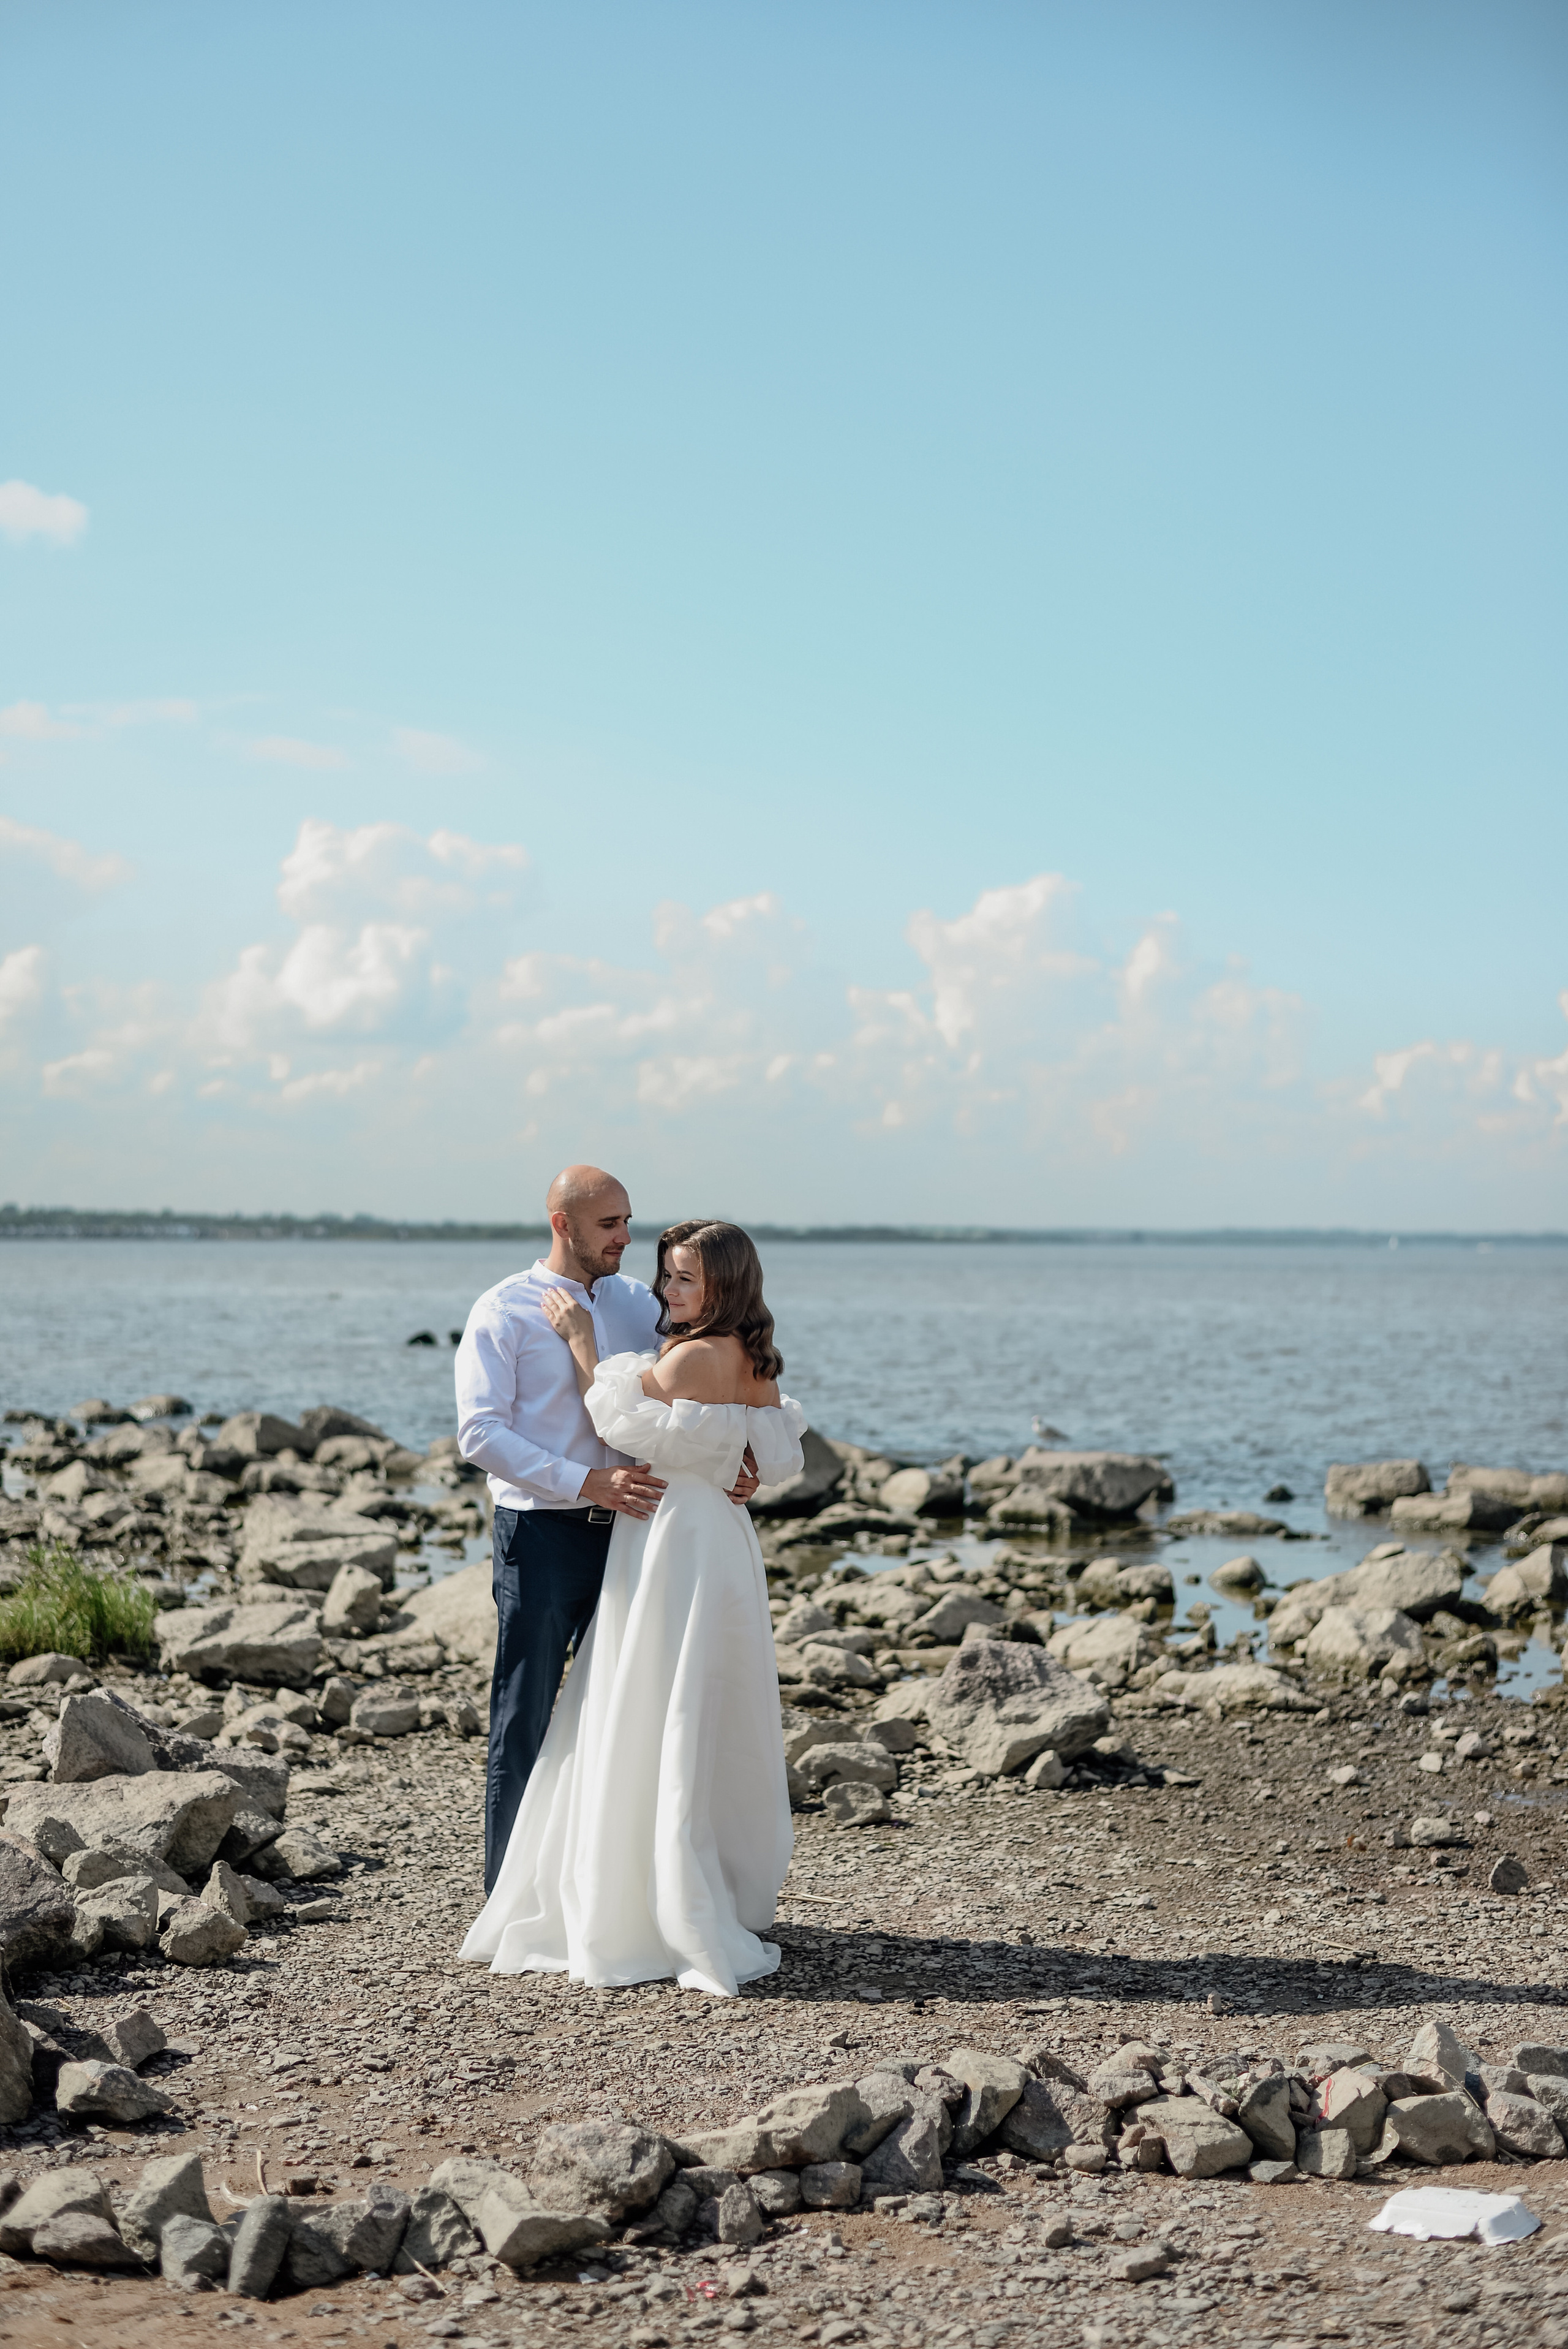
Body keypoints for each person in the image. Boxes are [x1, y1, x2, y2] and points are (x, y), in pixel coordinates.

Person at [459, 1219, 804, 1997]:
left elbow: (618, 1418)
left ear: (723, 1284)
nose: (664, 1291)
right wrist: (733, 1461)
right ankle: (697, 1876)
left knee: (648, 1704)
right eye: (665, 1275)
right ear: (565, 1221)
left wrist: (584, 1344)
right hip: (711, 1534)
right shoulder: (749, 1355)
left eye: (683, 1279)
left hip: (667, 1536)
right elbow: (774, 1449)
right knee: (696, 1701)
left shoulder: (688, 1350)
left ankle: (639, 1891)